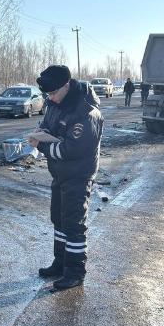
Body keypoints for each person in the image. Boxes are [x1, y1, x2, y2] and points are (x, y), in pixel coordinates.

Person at [28, 65, 103, 290]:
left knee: (73, 224)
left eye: (53, 93)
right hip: (60, 174)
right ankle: (60, 263)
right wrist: (40, 132)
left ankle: (75, 271)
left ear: (66, 86)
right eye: (47, 95)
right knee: (59, 220)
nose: (50, 98)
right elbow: (48, 125)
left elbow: (72, 150)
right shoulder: (55, 103)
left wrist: (41, 145)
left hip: (78, 175)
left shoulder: (86, 112)